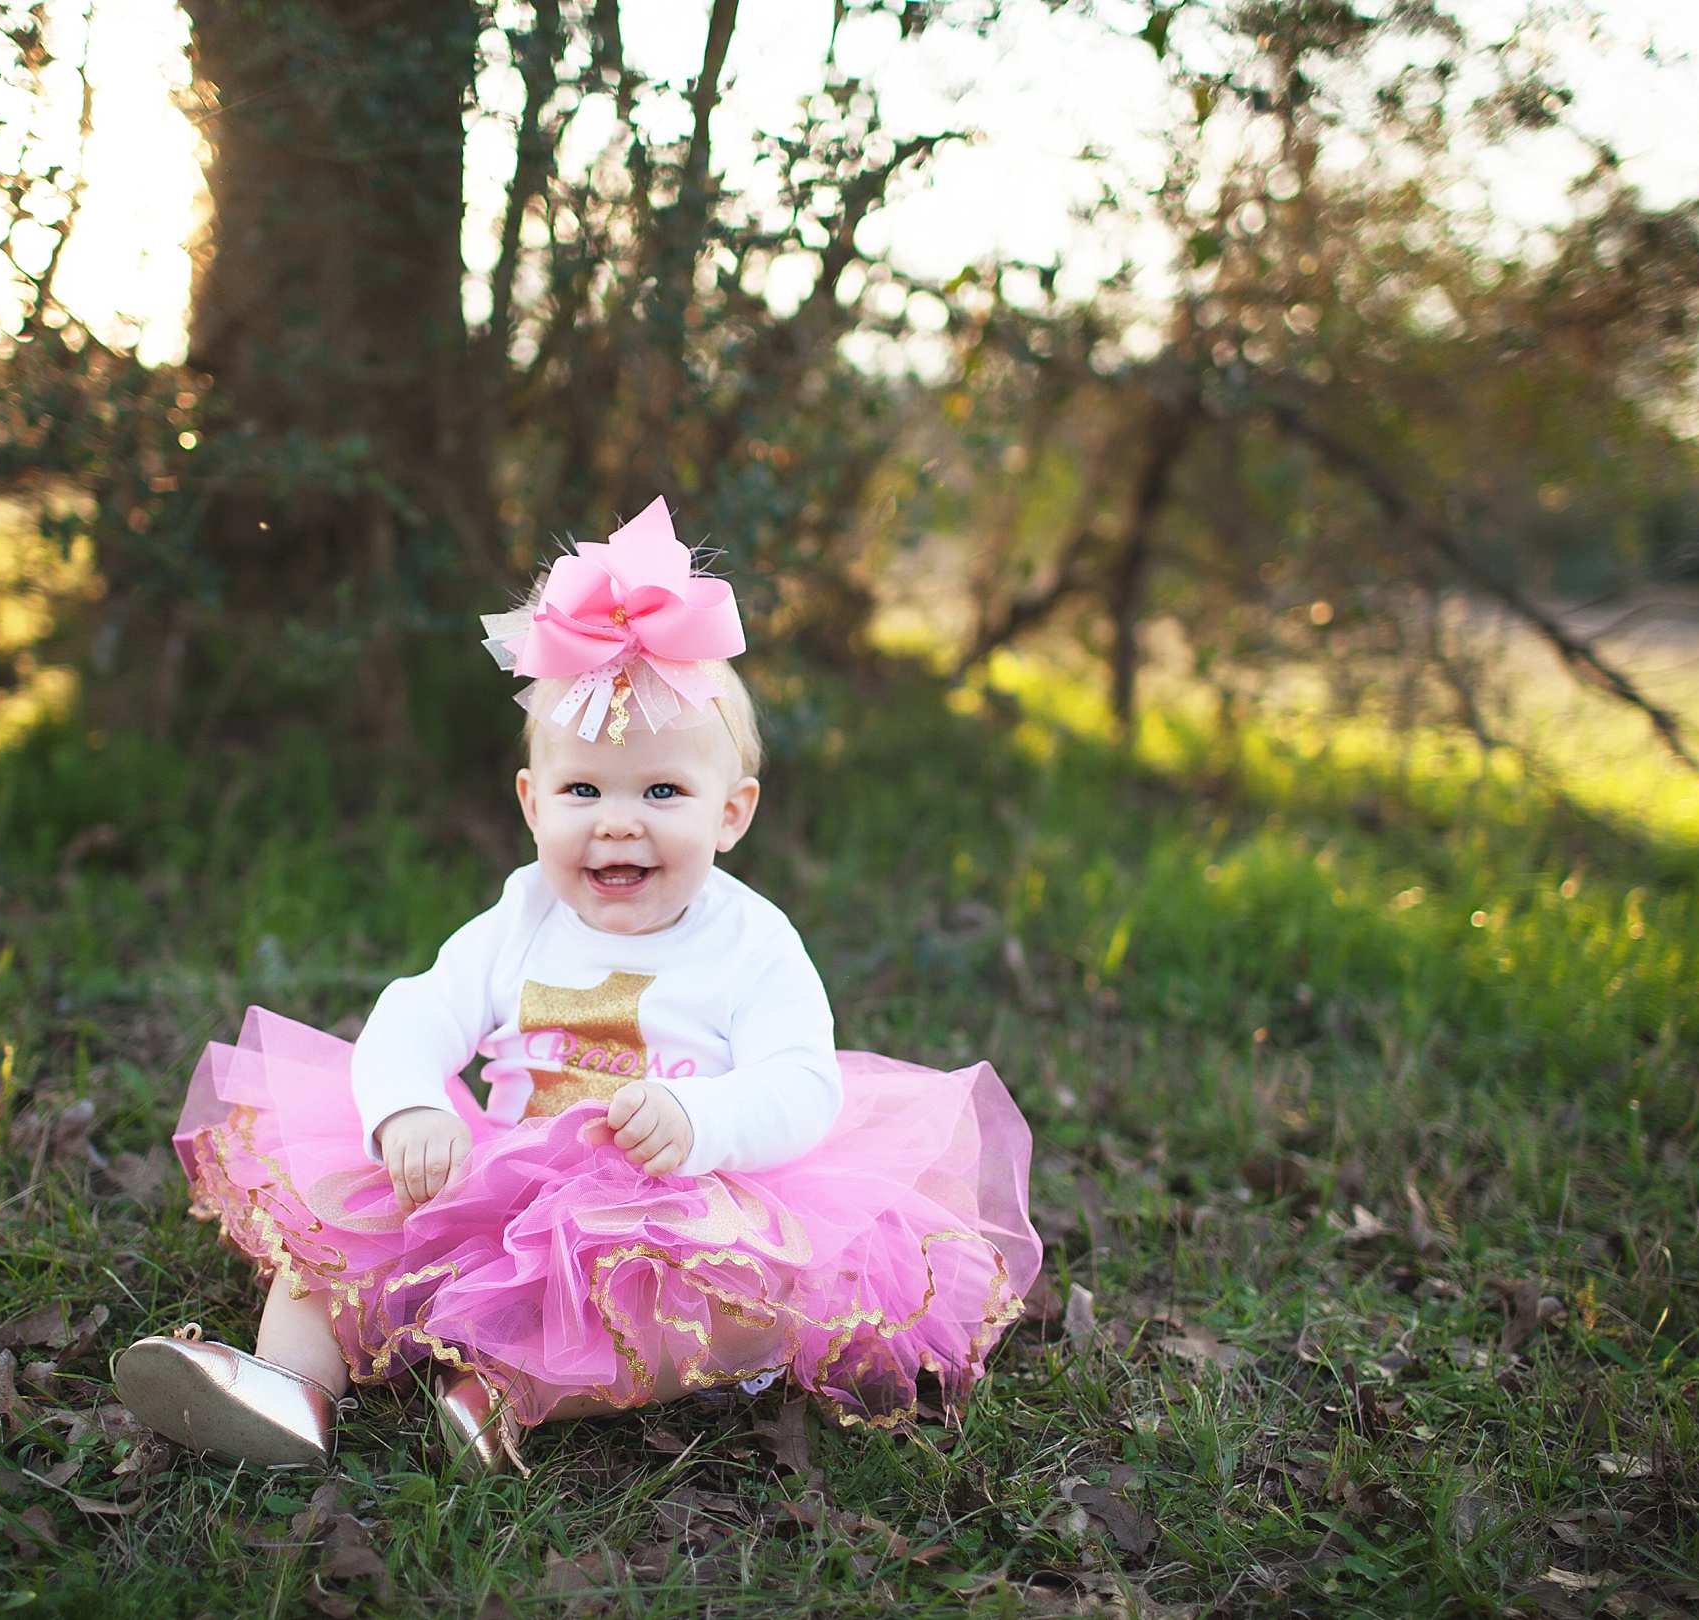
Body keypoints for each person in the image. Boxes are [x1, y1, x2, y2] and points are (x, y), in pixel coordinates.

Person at [113, 499, 1041, 1472]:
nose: (619, 823)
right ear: (532, 803)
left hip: (672, 1203)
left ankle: (507, 1395)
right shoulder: (520, 918)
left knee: (721, 1310)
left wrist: (703, 1118)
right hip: (503, 1178)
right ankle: (288, 1390)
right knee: (337, 1227)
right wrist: (410, 1108)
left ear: (733, 813)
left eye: (663, 793)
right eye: (584, 791)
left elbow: (806, 1083)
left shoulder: (754, 944)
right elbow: (413, 1013)